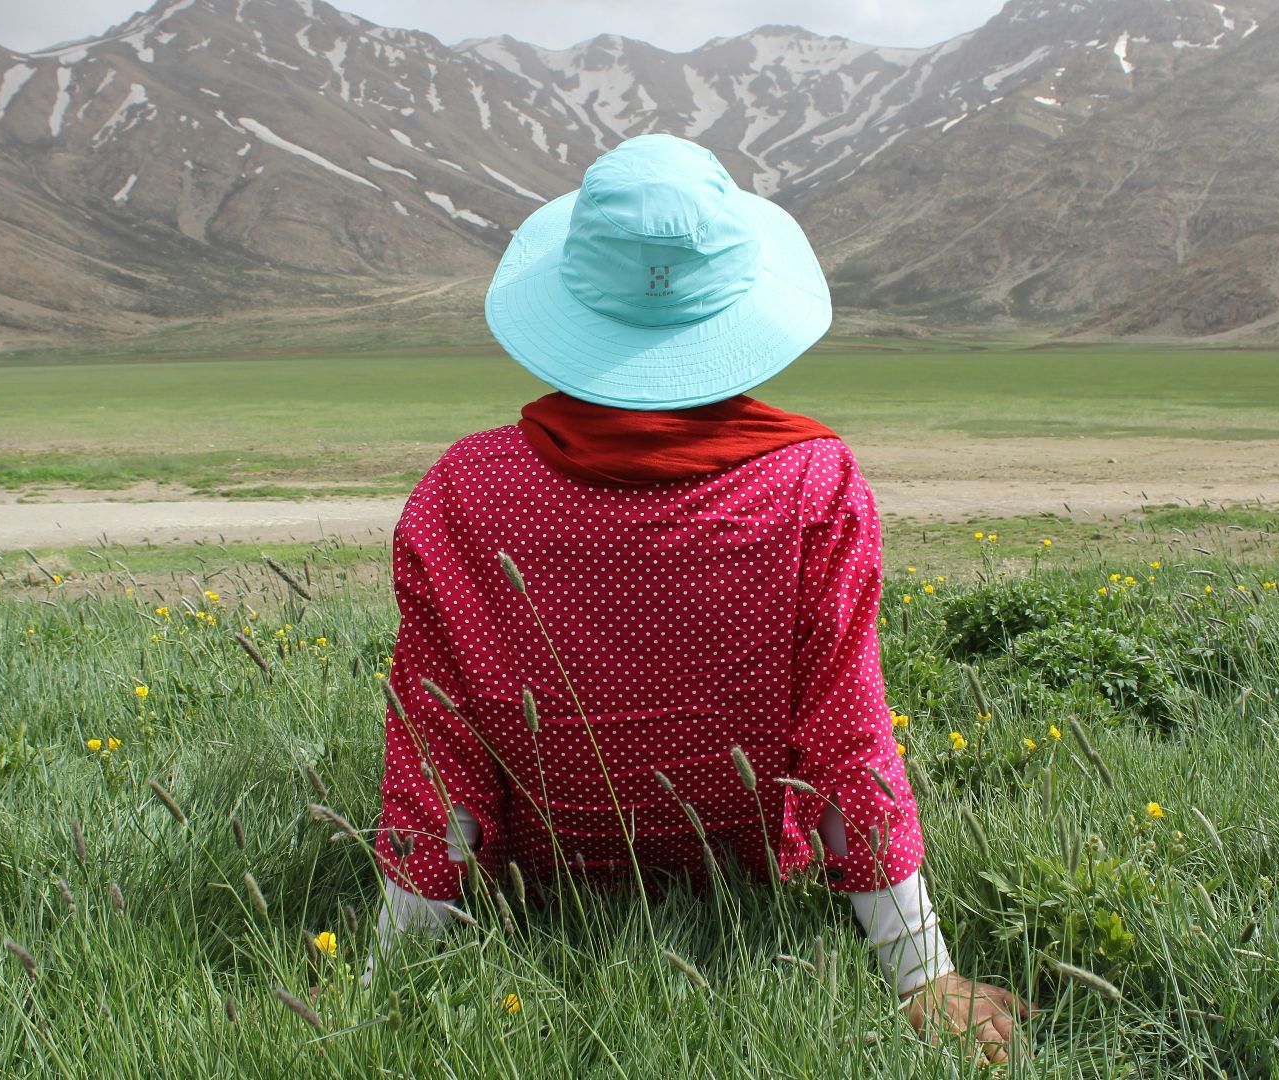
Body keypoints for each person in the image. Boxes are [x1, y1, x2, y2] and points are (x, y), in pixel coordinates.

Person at [366, 133, 1028, 1063]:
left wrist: (383, 982)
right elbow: (850, 739)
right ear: (738, 307)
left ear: (572, 303)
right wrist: (921, 972)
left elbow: (439, 756)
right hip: (748, 870)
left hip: (543, 882)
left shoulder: (463, 489)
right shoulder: (817, 485)